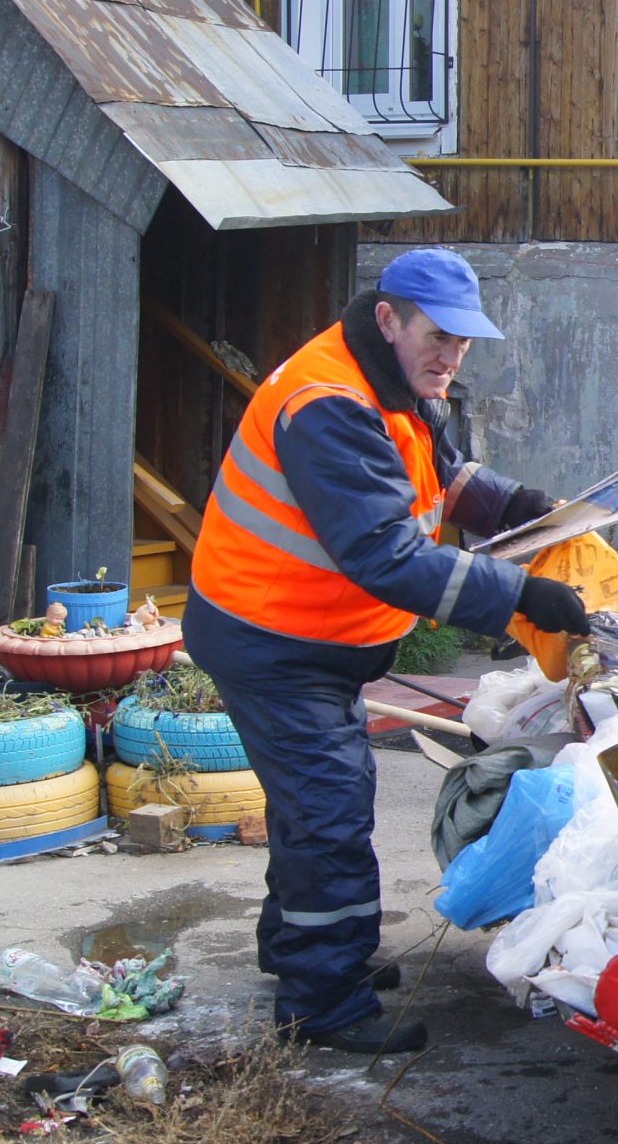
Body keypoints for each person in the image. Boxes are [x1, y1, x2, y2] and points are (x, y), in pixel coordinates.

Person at [184, 249, 593, 1054]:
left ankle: (301, 953)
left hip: (310, 638)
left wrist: (516, 505)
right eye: (438, 337)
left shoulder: (391, 383)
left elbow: (438, 471)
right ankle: (323, 1005)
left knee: (315, 803)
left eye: (465, 344)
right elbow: (386, 555)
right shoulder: (328, 404)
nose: (450, 357)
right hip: (273, 639)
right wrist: (518, 595)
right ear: (387, 319)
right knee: (329, 809)